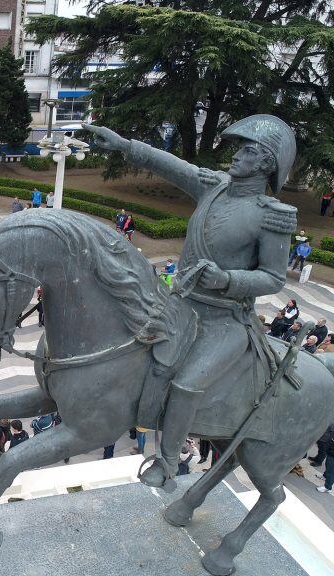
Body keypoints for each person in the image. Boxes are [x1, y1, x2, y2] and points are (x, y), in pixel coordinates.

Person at [85, 116, 298, 488]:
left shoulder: (272, 215)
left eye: (246, 150)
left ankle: (166, 462)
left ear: (265, 163)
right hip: (180, 303)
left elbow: (274, 277)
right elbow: (168, 165)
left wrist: (228, 279)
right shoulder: (214, 186)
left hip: (226, 319)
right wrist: (123, 145)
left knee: (186, 383)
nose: (235, 156)